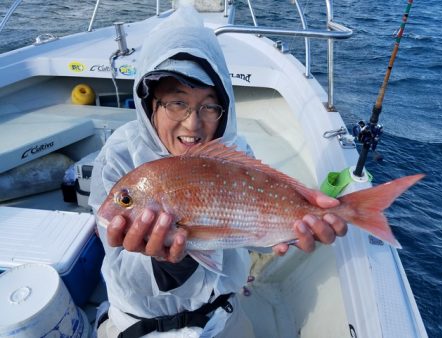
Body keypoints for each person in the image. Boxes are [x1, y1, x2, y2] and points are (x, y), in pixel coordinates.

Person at [89, 6, 347, 338]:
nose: (193, 123)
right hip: (141, 327)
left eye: (209, 106)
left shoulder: (233, 152)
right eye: (177, 103)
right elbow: (119, 270)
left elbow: (249, 230)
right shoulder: (120, 157)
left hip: (222, 318)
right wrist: (172, 261)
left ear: (224, 106)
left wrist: (295, 230)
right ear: (150, 102)